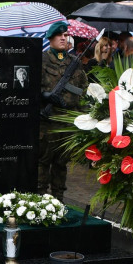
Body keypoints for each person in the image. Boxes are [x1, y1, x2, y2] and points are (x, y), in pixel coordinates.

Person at [39, 21, 88, 198]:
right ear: (50, 38)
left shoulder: (74, 62)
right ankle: (40, 198)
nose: (63, 38)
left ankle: (59, 199)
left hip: (67, 122)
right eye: (59, 35)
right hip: (47, 122)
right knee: (43, 162)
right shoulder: (42, 60)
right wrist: (44, 96)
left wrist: (82, 119)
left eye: (65, 35)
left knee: (61, 163)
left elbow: (82, 90)